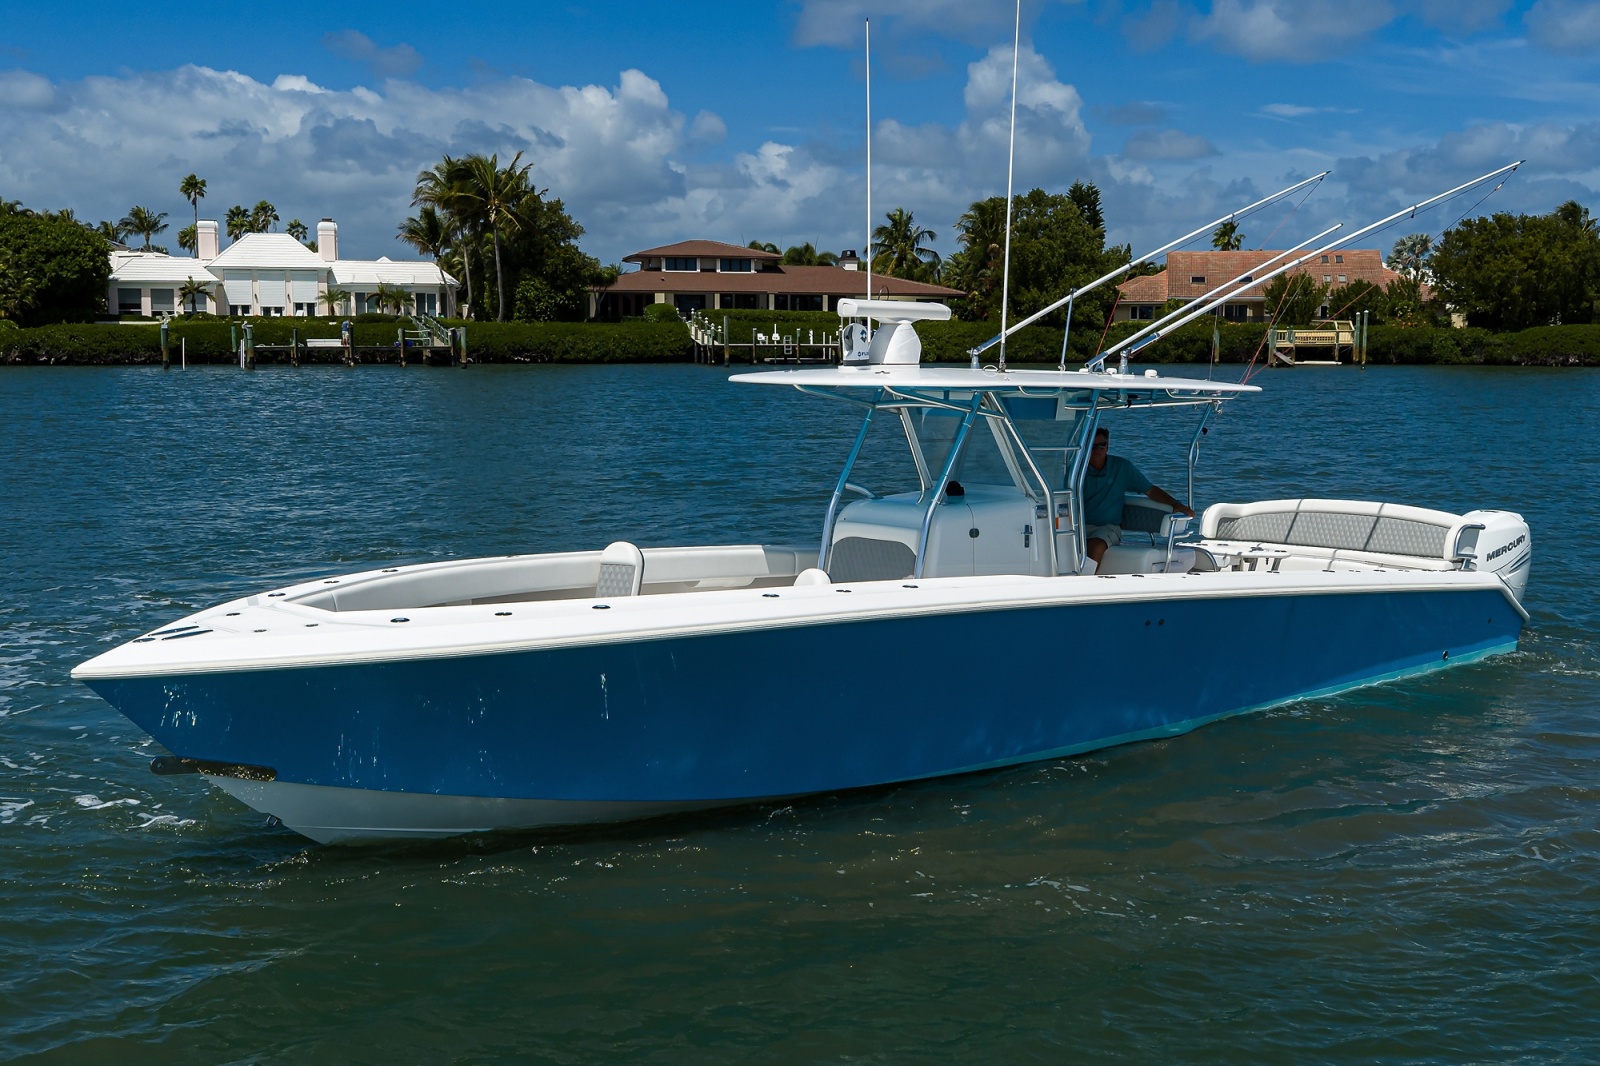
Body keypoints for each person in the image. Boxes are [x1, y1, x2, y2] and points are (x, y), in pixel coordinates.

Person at [1081, 427, 1195, 568]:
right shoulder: (1077, 469)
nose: (1097, 450)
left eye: (1102, 445)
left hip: (1107, 528)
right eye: (1093, 446)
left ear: (1108, 446)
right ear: (1085, 447)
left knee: (1096, 545)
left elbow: (1150, 490)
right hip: (1079, 526)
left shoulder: (1122, 467)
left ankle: (1085, 581)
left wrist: (1176, 504)